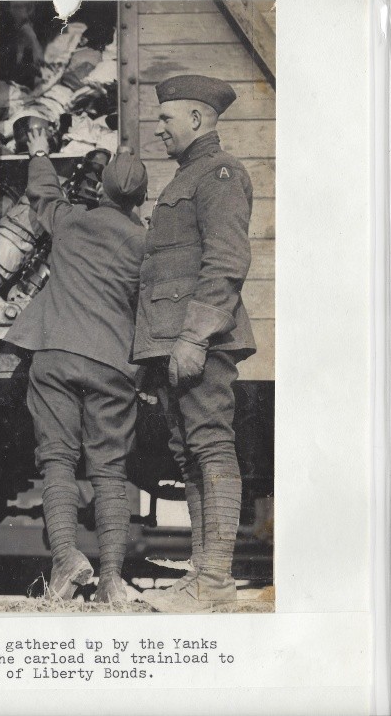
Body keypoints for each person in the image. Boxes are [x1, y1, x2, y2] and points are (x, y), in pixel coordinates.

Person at [5, 125, 147, 604]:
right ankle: (111, 579)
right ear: (141, 200)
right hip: (112, 364)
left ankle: (66, 559)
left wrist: (40, 151)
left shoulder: (70, 222)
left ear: (99, 189)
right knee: (109, 472)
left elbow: (42, 191)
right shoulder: (142, 242)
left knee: (58, 461)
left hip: (57, 356)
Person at [135, 75, 256, 613]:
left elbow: (227, 264)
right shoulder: (188, 175)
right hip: (175, 342)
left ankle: (213, 582)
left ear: (198, 119)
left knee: (210, 447)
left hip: (200, 341)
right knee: (189, 456)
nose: (158, 127)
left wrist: (192, 336)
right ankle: (207, 582)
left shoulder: (220, 174)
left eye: (166, 118)